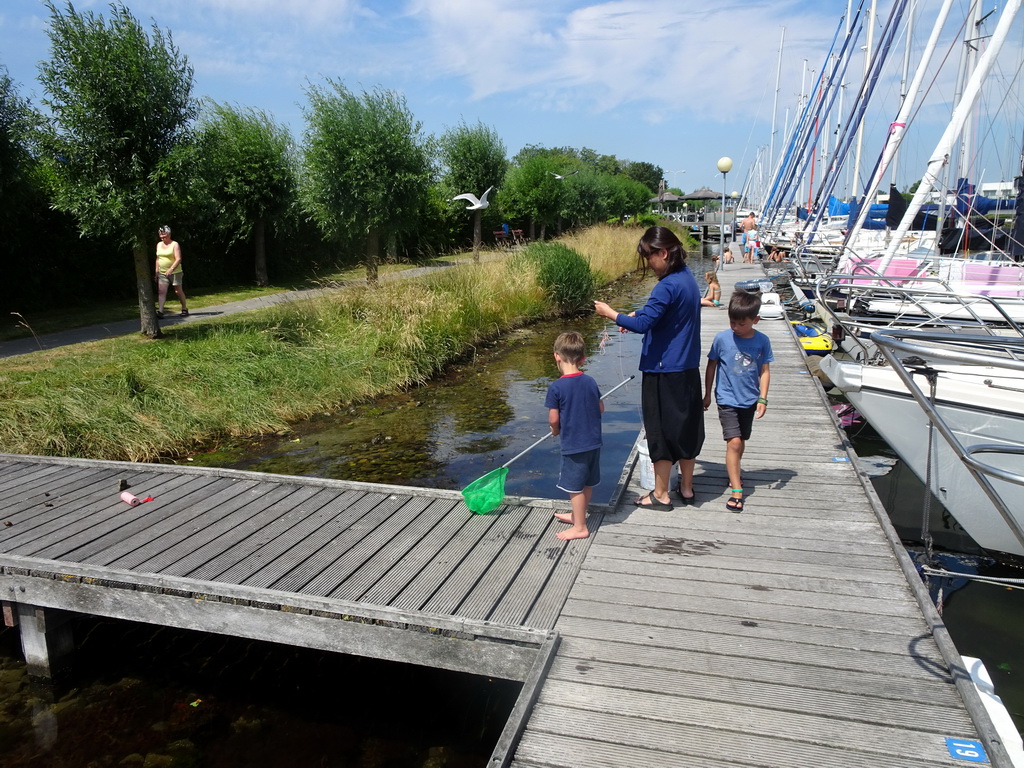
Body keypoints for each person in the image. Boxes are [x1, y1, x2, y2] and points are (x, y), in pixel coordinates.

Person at [594, 226, 703, 509]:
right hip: (687, 367)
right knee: (687, 429)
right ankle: (687, 489)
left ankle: (661, 494)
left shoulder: (666, 285)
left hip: (663, 370)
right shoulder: (688, 279)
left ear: (663, 253)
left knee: (660, 431)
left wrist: (611, 313)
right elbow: (662, 314)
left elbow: (643, 326)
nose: (649, 265)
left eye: (649, 258)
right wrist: (638, 312)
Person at [702, 290, 773, 512]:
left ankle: (734, 471)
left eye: (741, 324)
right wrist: (707, 393)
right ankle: (737, 491)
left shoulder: (762, 341)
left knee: (741, 441)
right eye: (732, 322)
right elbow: (711, 365)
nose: (736, 327)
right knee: (733, 442)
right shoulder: (722, 339)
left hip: (750, 399)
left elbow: (765, 370)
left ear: (755, 320)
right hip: (726, 397)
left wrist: (763, 398)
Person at [545, 331, 604, 540]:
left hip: (574, 445)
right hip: (594, 443)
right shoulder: (590, 381)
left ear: (556, 356)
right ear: (583, 359)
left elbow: (554, 419)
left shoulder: (556, 387)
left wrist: (555, 430)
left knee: (574, 487)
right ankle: (576, 515)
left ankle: (580, 527)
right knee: (586, 482)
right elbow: (601, 408)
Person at [155, 225, 188, 318]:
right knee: (162, 291)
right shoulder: (158, 245)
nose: (162, 237)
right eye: (160, 235)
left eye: (164, 235)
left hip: (175, 272)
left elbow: (178, 259)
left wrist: (171, 269)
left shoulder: (175, 244)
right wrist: (156, 272)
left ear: (169, 234)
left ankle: (184, 308)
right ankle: (160, 311)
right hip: (162, 273)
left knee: (178, 291)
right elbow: (158, 258)